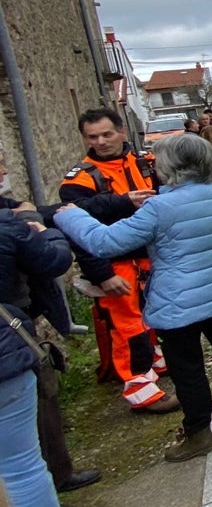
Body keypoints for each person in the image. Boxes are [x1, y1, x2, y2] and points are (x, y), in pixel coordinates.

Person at [55, 134, 212, 463]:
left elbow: (105, 243)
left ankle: (199, 432)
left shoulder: (159, 207)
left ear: (173, 166)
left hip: (178, 303)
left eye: (158, 162)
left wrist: (70, 215)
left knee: (187, 367)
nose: (154, 167)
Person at [58, 108, 176, 413]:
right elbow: (77, 232)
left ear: (121, 132)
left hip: (150, 257)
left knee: (153, 316)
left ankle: (154, 364)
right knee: (128, 327)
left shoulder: (147, 163)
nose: (101, 141)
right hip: (115, 263)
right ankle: (140, 390)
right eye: (92, 136)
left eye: (106, 134)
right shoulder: (78, 180)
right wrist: (101, 275)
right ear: (84, 138)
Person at [1, 206, 73, 507]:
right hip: (7, 349)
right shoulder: (8, 225)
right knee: (21, 468)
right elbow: (52, 260)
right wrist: (49, 232)